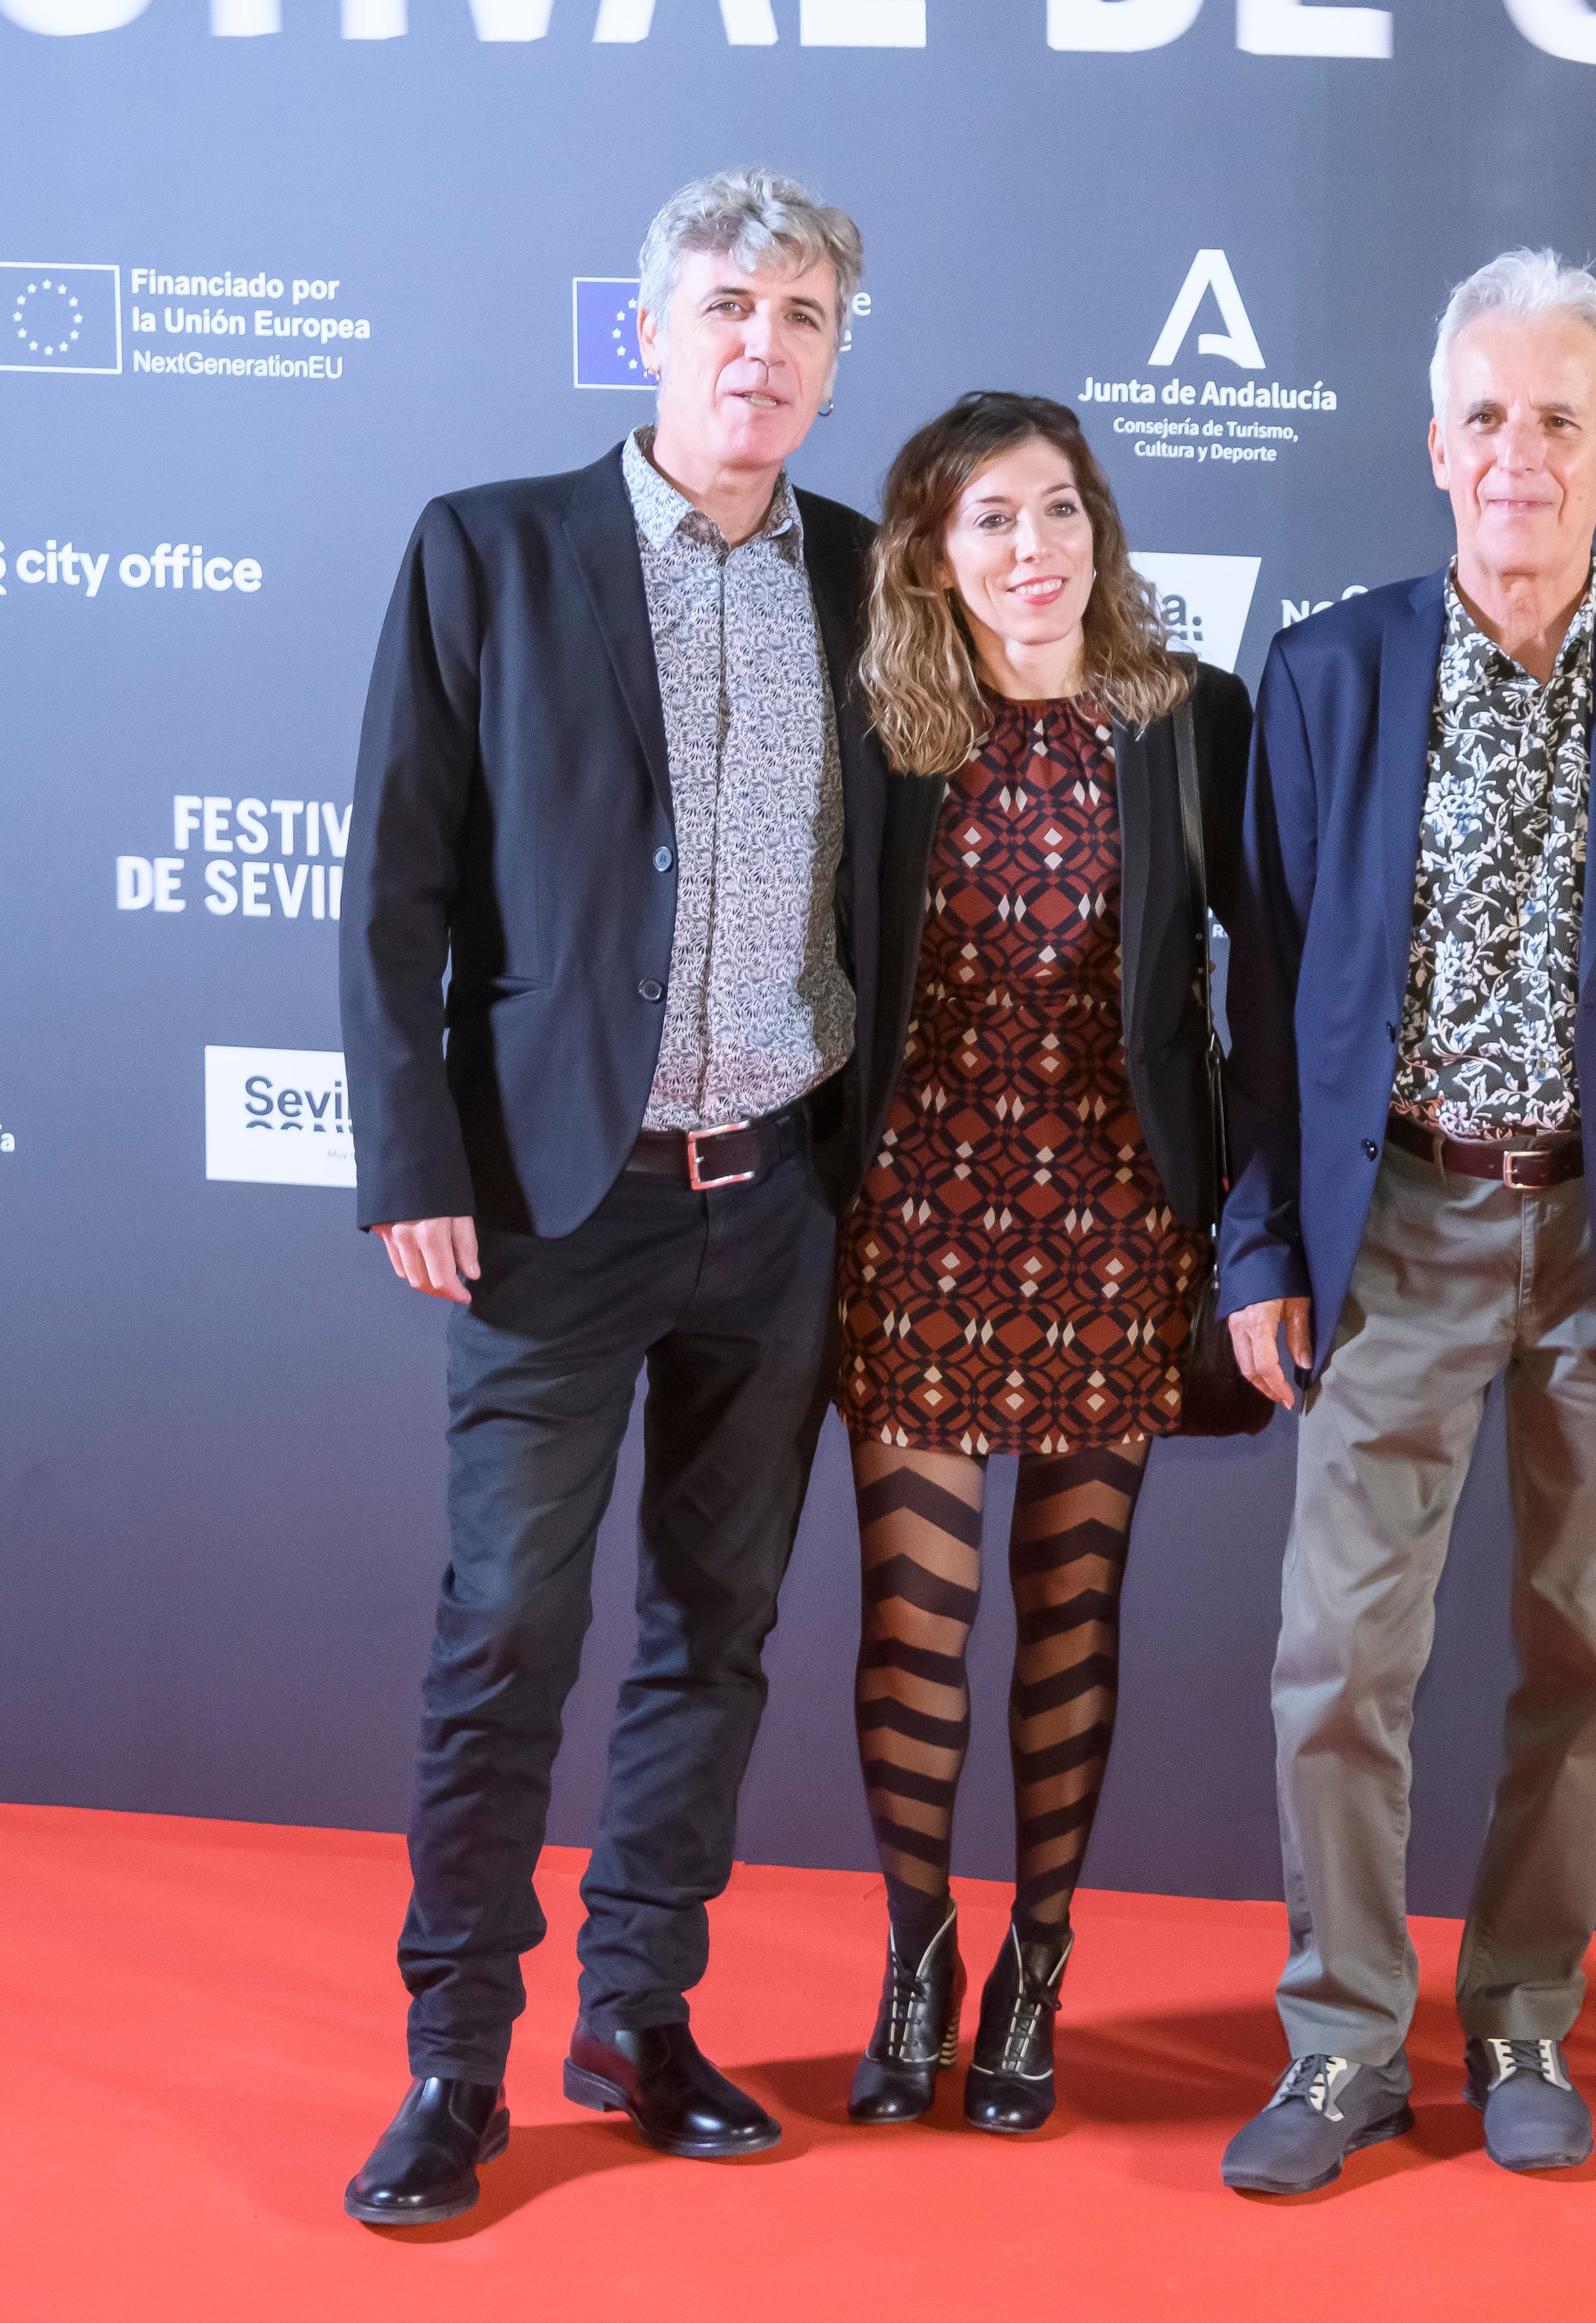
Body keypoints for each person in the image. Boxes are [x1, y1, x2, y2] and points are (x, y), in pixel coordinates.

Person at [337, 170, 918, 2226]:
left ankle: (641, 2016)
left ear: (841, 365)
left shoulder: (871, 580)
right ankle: (453, 2062)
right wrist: (411, 1150)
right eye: (732, 305)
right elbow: (397, 874)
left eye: (807, 318)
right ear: (650, 331)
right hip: (550, 1199)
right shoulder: (490, 550)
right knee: (508, 1626)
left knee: (717, 1627)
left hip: (776, 1197)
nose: (765, 344)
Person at [1212, 248, 1596, 2194]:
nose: (1519, 456)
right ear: (1433, 445)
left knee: (1589, 1666)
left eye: (1558, 421)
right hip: (1390, 1220)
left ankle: (1530, 2017)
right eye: (1485, 417)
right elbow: (1269, 997)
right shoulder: (1326, 676)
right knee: (1338, 1665)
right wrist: (1262, 1248)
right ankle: (1342, 2046)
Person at [832, 394, 1252, 2134]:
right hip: (916, 1223)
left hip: (1113, 1225)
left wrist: (1255, 1224)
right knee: (914, 1621)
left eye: (1062, 512)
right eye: (993, 519)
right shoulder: (881, 733)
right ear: (935, 551)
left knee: (1074, 1612)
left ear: (1103, 531)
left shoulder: (1182, 721)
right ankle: (917, 1958)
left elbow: (1284, 980)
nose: (1035, 551)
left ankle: (1041, 1965)